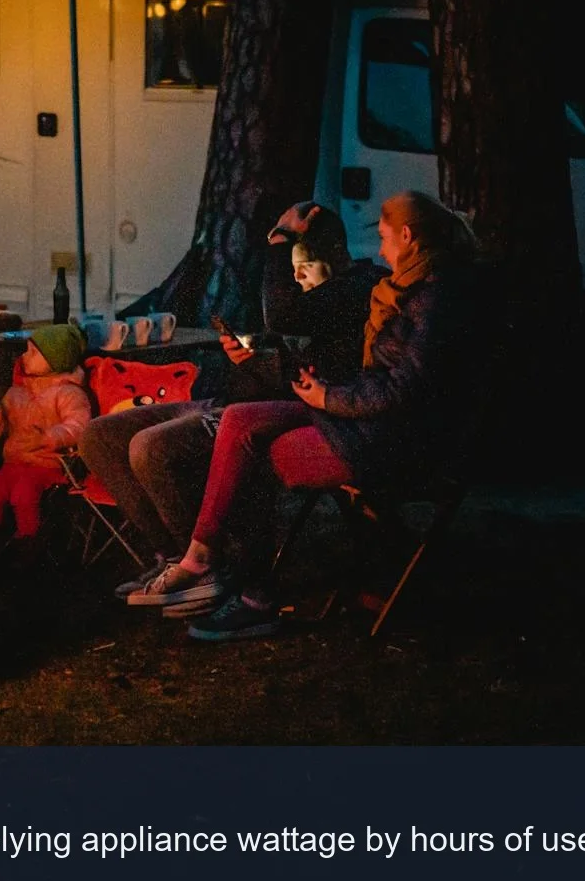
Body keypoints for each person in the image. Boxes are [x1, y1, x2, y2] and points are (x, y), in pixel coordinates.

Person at [124, 191, 477, 642]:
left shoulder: (433, 299)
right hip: (365, 423)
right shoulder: (408, 290)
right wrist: (302, 382)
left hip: (392, 443)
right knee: (241, 426)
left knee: (250, 447)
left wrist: (328, 397)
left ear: (408, 236)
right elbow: (381, 377)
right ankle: (207, 562)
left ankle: (250, 593)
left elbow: (403, 388)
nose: (382, 249)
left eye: (386, 238)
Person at [78, 200, 384, 597]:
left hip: (285, 414)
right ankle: (171, 556)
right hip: (240, 399)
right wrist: (251, 360)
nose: (293, 277)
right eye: (290, 267)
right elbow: (287, 353)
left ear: (334, 257)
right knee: (99, 436)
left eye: (301, 268)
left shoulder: (356, 288)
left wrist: (278, 240)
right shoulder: (318, 296)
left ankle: (209, 564)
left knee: (149, 447)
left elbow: (285, 322)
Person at [0, 323, 91, 565]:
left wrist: (48, 438)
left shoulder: (68, 394)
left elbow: (79, 427)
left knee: (23, 493)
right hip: (15, 461)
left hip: (47, 464)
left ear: (54, 361)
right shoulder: (17, 392)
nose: (24, 356)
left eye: (33, 352)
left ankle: (28, 543)